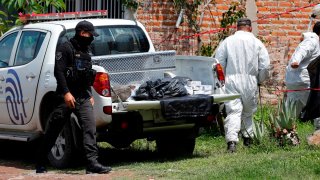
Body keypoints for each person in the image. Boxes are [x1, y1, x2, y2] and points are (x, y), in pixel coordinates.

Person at [35, 20, 112, 174]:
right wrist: (66, 93)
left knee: (89, 128)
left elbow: (86, 75)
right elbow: (59, 72)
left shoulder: (86, 50)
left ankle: (92, 163)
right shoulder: (65, 48)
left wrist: (89, 93)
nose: (92, 37)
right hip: (65, 96)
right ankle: (41, 161)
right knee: (54, 129)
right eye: (90, 34)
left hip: (82, 96)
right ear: (82, 32)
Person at [215, 18, 270, 153]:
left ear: (237, 27)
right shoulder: (257, 43)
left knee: (233, 111)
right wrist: (260, 80)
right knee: (248, 112)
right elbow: (265, 65)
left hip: (231, 79)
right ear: (250, 28)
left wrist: (222, 79)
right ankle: (248, 139)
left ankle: (232, 142)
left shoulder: (227, 42)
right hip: (250, 80)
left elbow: (218, 62)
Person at [285, 22, 320, 131]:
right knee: (315, 106)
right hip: (302, 81)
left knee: (291, 112)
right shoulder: (312, 40)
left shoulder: (314, 41)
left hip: (298, 80)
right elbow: (302, 50)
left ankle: (284, 134)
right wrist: (296, 61)